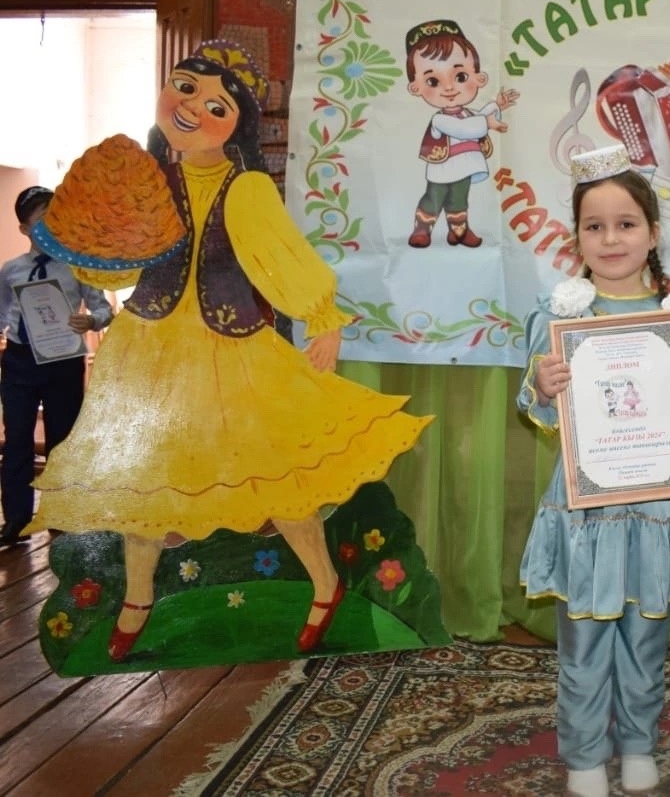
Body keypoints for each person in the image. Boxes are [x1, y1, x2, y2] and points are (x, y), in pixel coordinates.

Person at [26, 40, 430, 660]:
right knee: (144, 481)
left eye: (217, 106)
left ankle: (324, 585)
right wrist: (91, 248)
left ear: (237, 125)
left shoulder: (246, 189)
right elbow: (119, 267)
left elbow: (281, 258)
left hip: (229, 351)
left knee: (276, 474)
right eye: (186, 87)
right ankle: (138, 598)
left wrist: (322, 317)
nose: (193, 107)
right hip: (149, 348)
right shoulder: (148, 181)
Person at [517, 144, 670, 797]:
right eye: (595, 226)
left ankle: (638, 743)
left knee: (646, 638)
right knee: (583, 640)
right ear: (577, 236)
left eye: (626, 223)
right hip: (588, 511)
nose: (611, 239)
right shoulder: (560, 316)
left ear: (653, 233)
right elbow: (534, 406)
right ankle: (584, 755)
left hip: (659, 508)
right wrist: (543, 384)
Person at [0, 186, 113, 546]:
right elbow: (2, 313)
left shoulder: (78, 264)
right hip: (19, 361)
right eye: (41, 217)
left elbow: (102, 308)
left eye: (55, 213)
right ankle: (16, 520)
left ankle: (62, 516)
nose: (50, 222)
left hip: (63, 361)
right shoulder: (11, 270)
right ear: (24, 229)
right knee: (17, 439)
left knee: (62, 442)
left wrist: (91, 321)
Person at [405, 19, 519, 248]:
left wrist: (496, 105)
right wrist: (487, 123)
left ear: (479, 78)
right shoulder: (439, 119)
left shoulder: (468, 114)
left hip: (465, 167)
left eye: (460, 77)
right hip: (442, 169)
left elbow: (477, 118)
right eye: (433, 81)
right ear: (416, 87)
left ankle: (458, 231)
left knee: (459, 200)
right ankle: (422, 230)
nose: (449, 88)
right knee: (434, 198)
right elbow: (465, 129)